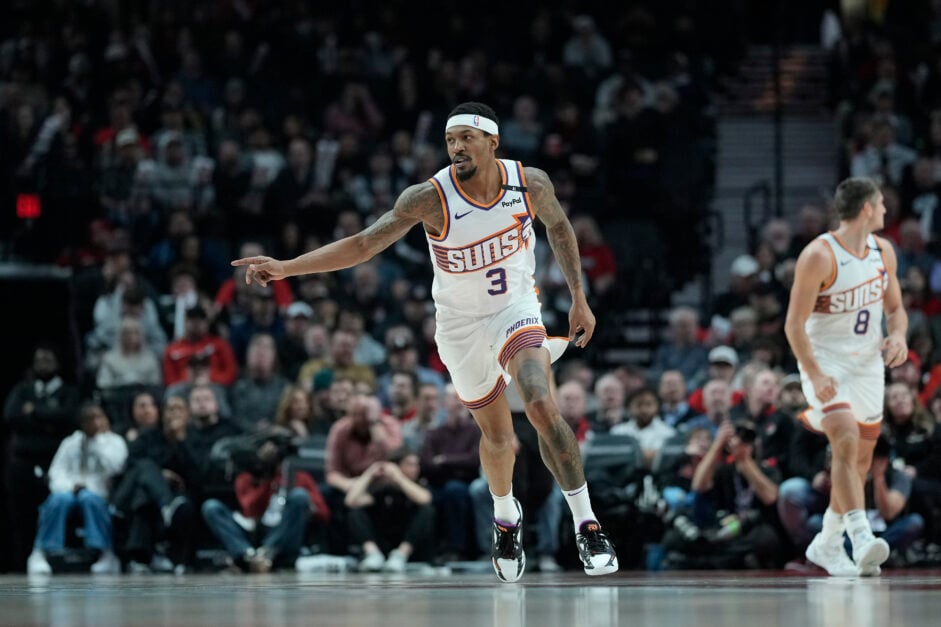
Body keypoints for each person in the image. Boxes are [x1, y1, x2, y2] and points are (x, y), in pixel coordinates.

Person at [232, 102, 618, 581]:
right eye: (450, 140)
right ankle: (505, 516)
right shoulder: (429, 198)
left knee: (540, 402)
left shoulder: (529, 184)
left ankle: (588, 524)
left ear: (492, 142)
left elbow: (558, 226)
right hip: (460, 327)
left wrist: (579, 296)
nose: (456, 147)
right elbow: (363, 245)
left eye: (466, 138)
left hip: (515, 310)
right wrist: (286, 268)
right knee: (498, 438)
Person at [784, 177, 908, 577]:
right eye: (881, 203)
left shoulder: (883, 251)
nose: (886, 209)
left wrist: (898, 336)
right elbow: (793, 325)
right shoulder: (818, 255)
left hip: (868, 364)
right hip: (826, 361)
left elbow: (895, 309)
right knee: (844, 436)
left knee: (860, 461)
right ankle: (862, 533)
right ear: (867, 209)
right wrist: (815, 373)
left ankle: (828, 541)